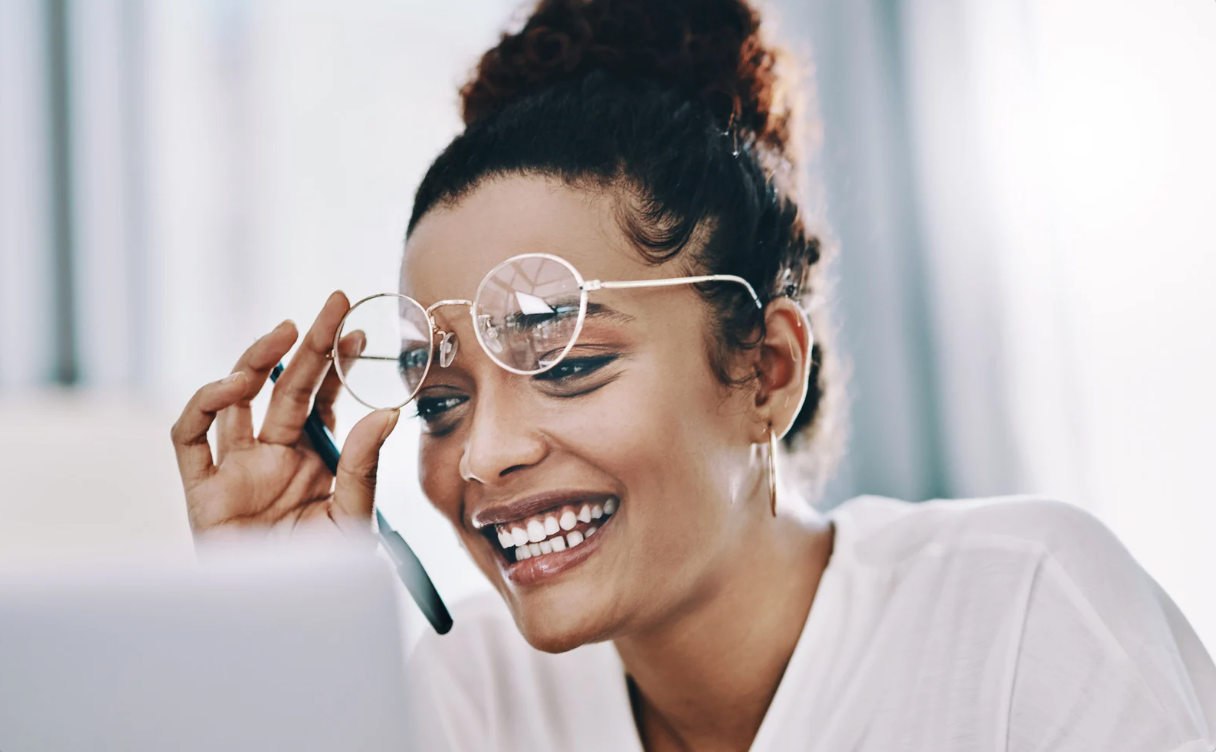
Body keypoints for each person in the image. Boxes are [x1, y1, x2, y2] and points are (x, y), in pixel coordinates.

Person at [170, 0, 1216, 749]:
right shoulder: (475, 694)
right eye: (442, 400)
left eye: (568, 362)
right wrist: (278, 637)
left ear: (765, 368)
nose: (481, 453)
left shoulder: (1024, 613)